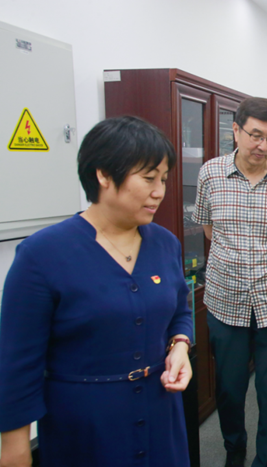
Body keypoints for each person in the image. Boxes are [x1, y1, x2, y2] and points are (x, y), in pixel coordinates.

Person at [0, 116, 193, 467]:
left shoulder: (165, 244)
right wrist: (14, 448)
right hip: (84, 426)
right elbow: (17, 364)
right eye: (149, 178)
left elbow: (180, 309)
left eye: (164, 179)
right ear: (103, 174)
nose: (159, 192)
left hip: (160, 413)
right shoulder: (43, 254)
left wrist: (180, 344)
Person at [192, 97, 267, 467]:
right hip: (226, 299)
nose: (263, 145)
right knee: (228, 389)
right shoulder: (211, 174)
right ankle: (234, 450)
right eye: (256, 135)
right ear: (236, 131)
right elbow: (209, 229)